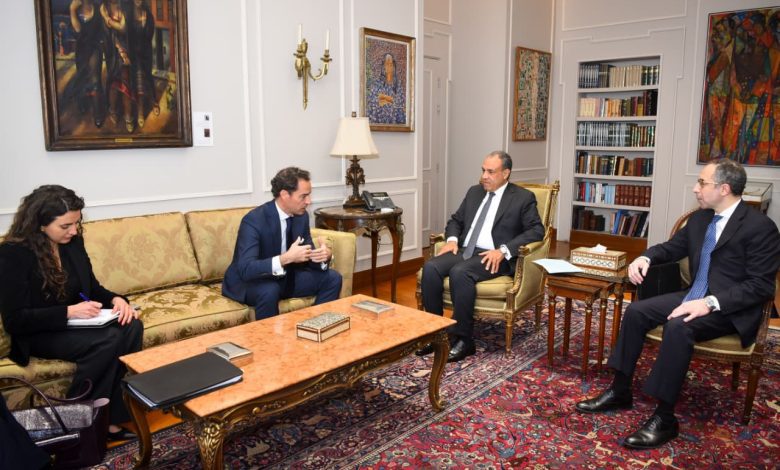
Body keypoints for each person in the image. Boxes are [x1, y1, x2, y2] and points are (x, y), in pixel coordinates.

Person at [575, 159, 780, 449]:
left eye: (702, 183)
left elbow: (761, 286)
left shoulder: (761, 227)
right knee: (636, 311)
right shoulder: (700, 219)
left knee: (678, 326)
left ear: (724, 188)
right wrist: (645, 256)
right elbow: (672, 248)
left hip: (729, 307)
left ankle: (665, 417)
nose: (695, 188)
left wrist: (710, 303)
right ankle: (620, 391)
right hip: (693, 294)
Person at [0, 185, 143, 442]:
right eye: (65, 225)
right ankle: (80, 423)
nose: (74, 231)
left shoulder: (72, 244)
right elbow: (15, 320)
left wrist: (117, 300)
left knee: (131, 325)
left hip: (74, 323)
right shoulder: (12, 254)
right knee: (108, 340)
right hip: (39, 332)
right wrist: (68, 312)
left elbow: (92, 288)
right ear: (40, 224)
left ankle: (110, 417)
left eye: (76, 223)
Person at [418, 151, 544, 362]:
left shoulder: (522, 197)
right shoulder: (474, 192)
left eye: (490, 172)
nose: (484, 176)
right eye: (483, 170)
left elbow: (536, 231)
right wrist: (452, 240)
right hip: (465, 249)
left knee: (460, 272)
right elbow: (456, 220)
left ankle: (464, 339)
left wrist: (503, 250)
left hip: (494, 255)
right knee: (430, 267)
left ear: (505, 173)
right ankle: (435, 332)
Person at [222, 167, 342, 320]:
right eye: (303, 196)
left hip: (285, 277)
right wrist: (286, 258)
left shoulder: (301, 216)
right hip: (251, 281)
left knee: (333, 278)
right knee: (269, 290)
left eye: (309, 195)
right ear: (285, 195)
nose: (308, 201)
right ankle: (269, 336)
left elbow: (307, 256)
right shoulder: (254, 220)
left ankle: (317, 325)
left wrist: (324, 256)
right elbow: (246, 268)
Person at [64, 0, 106, 128]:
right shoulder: (75, 9)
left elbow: (102, 31)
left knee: (95, 79)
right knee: (82, 77)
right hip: (81, 50)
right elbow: (78, 31)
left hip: (94, 48)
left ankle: (98, 113)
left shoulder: (98, 8)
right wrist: (72, 11)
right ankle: (82, 103)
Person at [127, 0, 160, 129]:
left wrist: (145, 23)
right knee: (138, 77)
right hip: (133, 54)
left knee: (148, 76)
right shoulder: (128, 15)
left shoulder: (149, 15)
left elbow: (148, 37)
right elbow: (127, 37)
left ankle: (153, 100)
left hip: (145, 53)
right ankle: (140, 111)